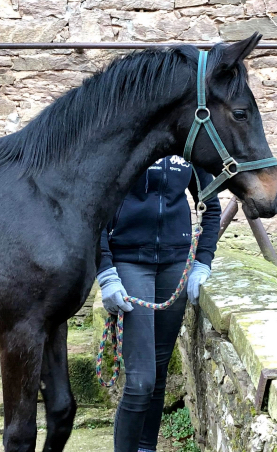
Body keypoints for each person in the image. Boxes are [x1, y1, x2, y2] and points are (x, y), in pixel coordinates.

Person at [97, 155, 221, 452]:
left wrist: (203, 262)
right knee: (140, 382)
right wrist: (105, 271)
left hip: (175, 264)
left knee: (158, 375)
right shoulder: (133, 133)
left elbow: (211, 207)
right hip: (129, 261)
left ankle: (145, 448)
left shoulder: (189, 144)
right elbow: (95, 208)